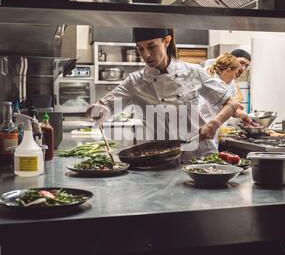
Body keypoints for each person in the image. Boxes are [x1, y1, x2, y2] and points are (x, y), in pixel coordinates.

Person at [87, 28, 251, 159]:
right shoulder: (134, 81)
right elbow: (106, 105)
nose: (146, 55)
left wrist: (214, 123)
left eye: (151, 47)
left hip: (201, 157)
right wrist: (97, 109)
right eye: (140, 49)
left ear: (166, 41)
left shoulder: (193, 72)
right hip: (160, 160)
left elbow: (231, 104)